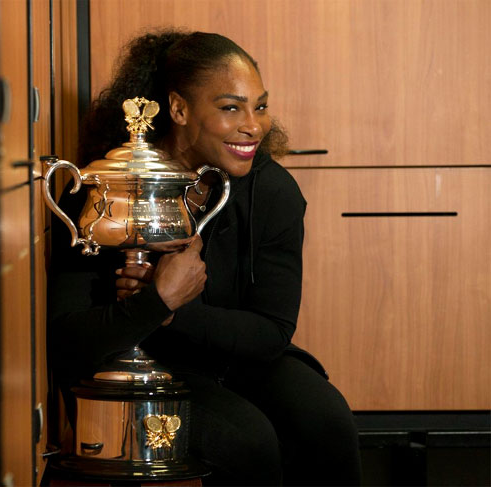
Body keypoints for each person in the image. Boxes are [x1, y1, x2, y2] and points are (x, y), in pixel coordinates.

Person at [48, 30, 361, 486]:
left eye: (260, 105)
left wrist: (176, 311)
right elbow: (67, 338)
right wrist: (154, 305)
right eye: (231, 107)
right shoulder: (111, 191)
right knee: (247, 442)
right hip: (133, 364)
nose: (253, 125)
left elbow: (272, 332)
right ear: (178, 109)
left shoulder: (272, 191)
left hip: (238, 356)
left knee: (327, 423)